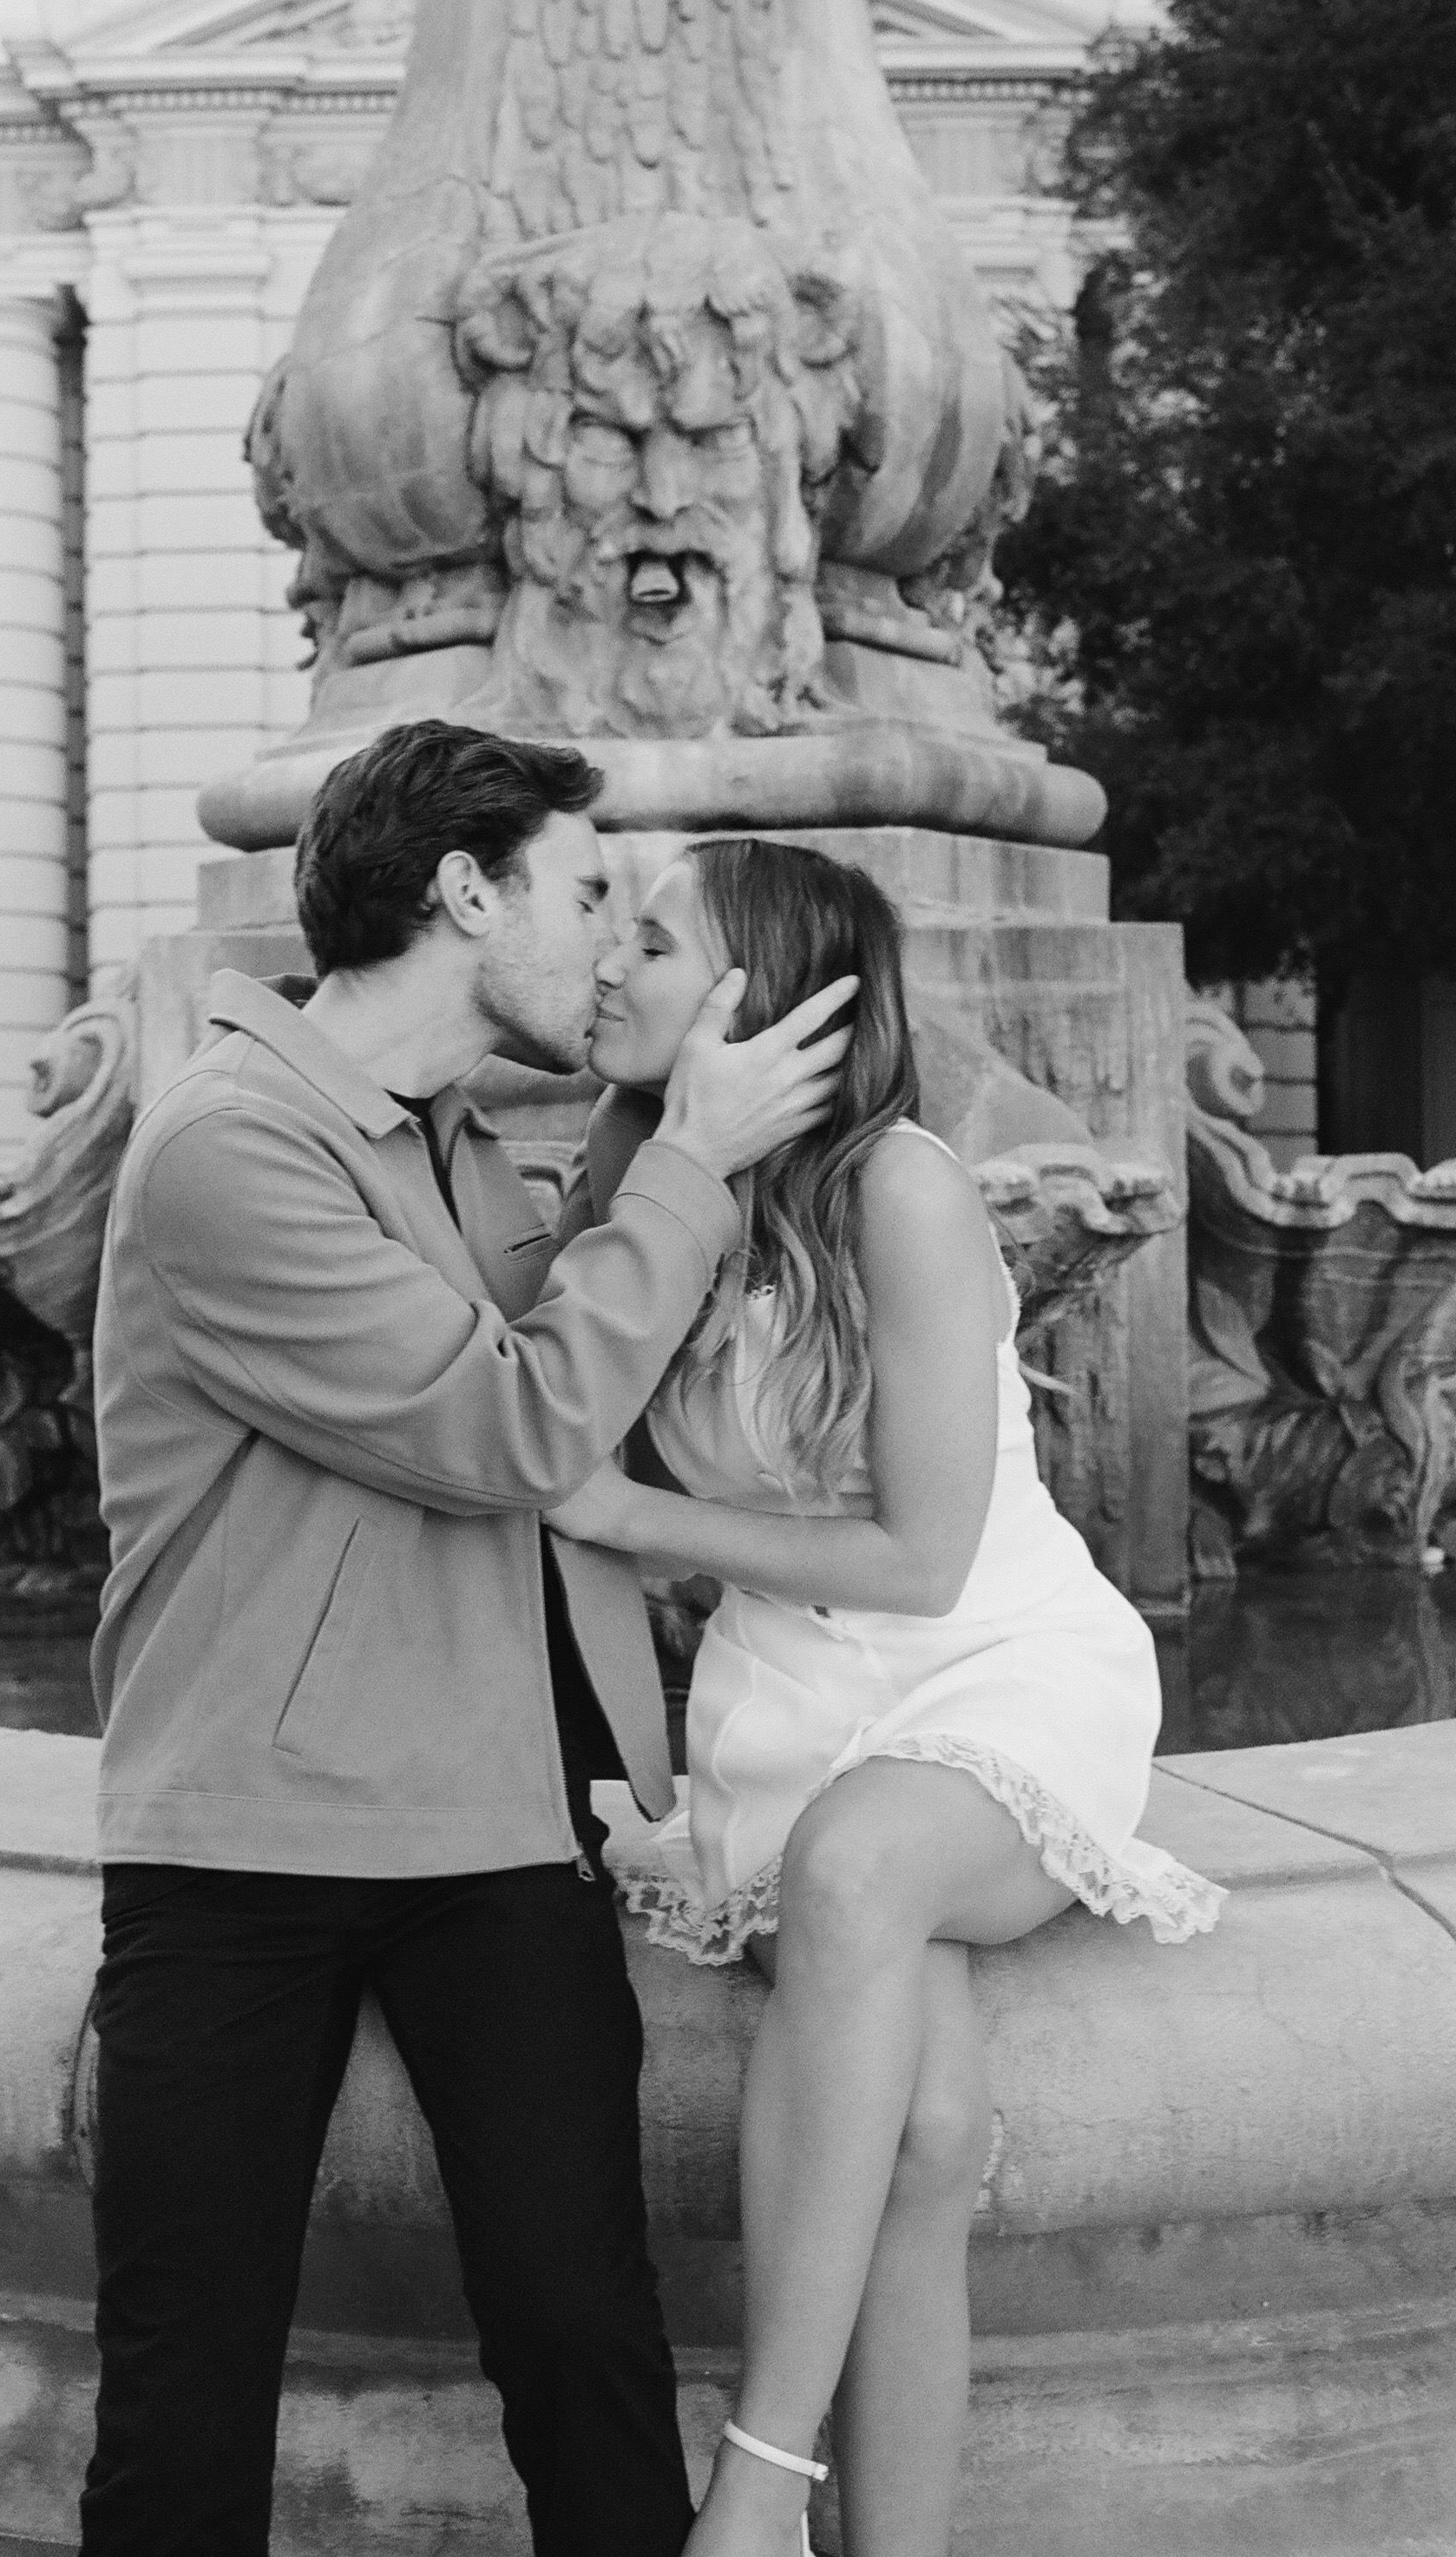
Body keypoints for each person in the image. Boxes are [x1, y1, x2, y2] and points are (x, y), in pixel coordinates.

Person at [78, 723, 857, 2557]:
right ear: (461, 892)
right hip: (239, 1846)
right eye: (584, 893)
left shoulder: (447, 1142)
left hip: (500, 1836)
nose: (606, 940)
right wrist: (693, 1158)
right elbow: (509, 1427)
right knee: (184, 2400)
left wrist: (673, 1128)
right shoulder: (229, 1146)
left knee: (587, 2345)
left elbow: (590, 1340)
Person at [543, 838, 1224, 2557]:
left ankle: (754, 2488)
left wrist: (630, 1508)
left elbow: (920, 1557)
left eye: (648, 939)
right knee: (918, 2143)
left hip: (990, 1672)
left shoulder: (900, 1187)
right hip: (781, 1712)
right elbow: (555, 1505)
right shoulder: (641, 1180)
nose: (605, 961)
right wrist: (642, 1779)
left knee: (856, 1871)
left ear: (762, 997)